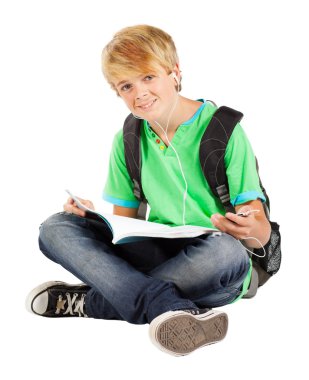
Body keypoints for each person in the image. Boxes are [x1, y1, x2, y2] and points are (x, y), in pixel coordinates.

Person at [26, 24, 271, 356]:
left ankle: (94, 302)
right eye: (126, 86)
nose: (139, 93)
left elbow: (260, 234)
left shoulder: (223, 129)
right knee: (54, 227)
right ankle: (168, 306)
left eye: (148, 78)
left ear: (174, 72)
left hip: (214, 263)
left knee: (225, 252)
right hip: (159, 250)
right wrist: (93, 218)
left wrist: (248, 226)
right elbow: (123, 232)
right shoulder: (127, 139)